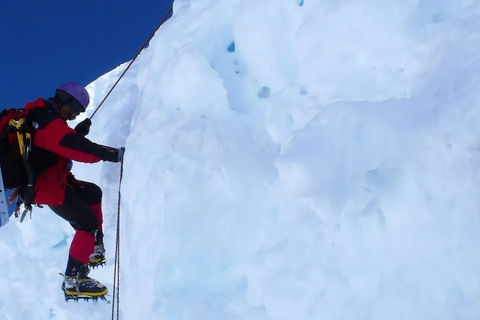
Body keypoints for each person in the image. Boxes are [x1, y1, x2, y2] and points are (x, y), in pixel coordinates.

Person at [23, 82, 125, 300]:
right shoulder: (46, 120)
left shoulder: (47, 118)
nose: (74, 116)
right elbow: (71, 145)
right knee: (86, 223)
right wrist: (108, 154)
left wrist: (77, 132)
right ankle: (74, 279)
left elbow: (57, 142)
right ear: (66, 101)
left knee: (92, 193)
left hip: (54, 182)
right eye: (75, 110)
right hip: (47, 187)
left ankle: (94, 246)